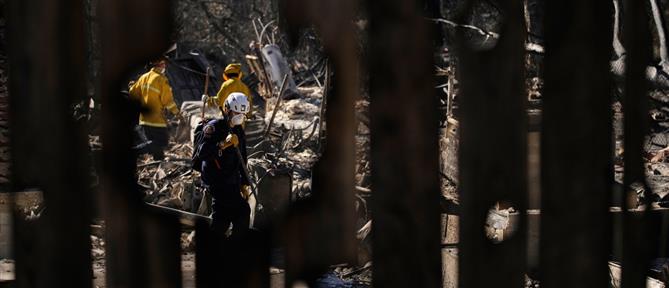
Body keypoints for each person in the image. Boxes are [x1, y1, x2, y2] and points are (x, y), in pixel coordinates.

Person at [192, 92, 252, 241]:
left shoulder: (238, 130)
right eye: (237, 112)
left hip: (231, 180)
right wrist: (223, 144)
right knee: (242, 211)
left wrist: (244, 183)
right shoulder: (214, 127)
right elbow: (203, 153)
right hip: (217, 180)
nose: (239, 116)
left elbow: (242, 158)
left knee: (222, 219)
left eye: (242, 113)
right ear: (227, 109)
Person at [129, 58, 181, 160]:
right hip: (156, 120)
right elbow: (168, 101)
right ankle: (135, 151)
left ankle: (159, 161)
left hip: (144, 119)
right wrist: (177, 113)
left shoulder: (143, 77)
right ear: (160, 65)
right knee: (162, 141)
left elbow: (132, 93)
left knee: (154, 144)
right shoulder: (161, 79)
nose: (165, 67)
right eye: (164, 65)